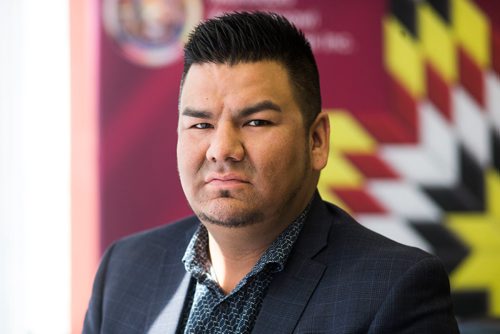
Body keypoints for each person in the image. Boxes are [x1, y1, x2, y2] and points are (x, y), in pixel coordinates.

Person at [83, 11, 459, 333]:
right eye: (200, 125)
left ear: (316, 141)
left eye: (256, 122)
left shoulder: (394, 289)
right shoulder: (125, 268)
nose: (222, 150)